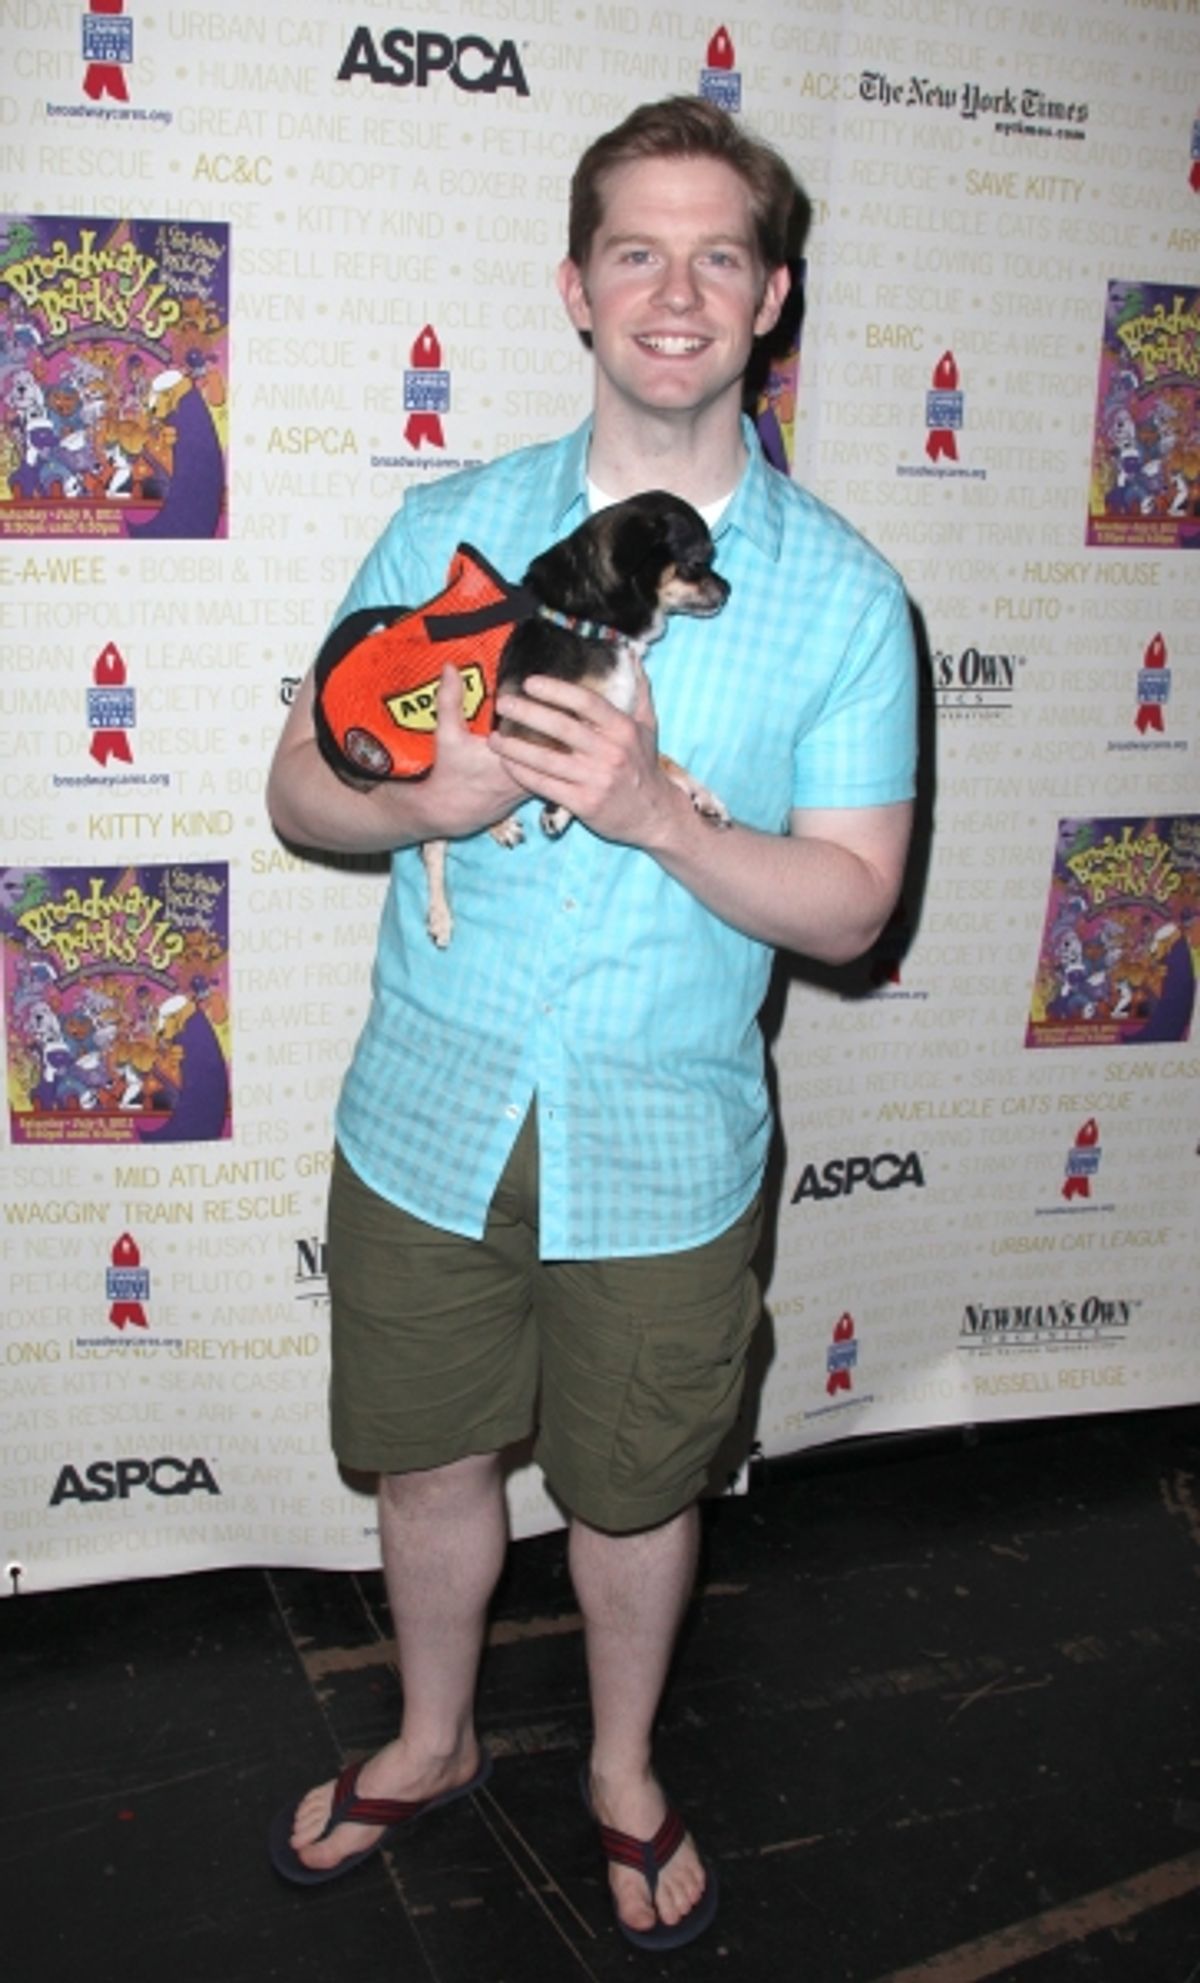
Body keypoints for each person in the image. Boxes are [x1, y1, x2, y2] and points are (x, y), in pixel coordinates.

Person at [266, 94, 916, 1949]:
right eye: (637, 247)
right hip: (429, 1112)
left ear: (772, 297)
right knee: (433, 1457)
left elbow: (857, 905)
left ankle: (623, 1772)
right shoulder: (452, 525)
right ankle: (434, 1735)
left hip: (666, 1136)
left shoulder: (848, 597)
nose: (677, 288)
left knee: (635, 1494)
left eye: (721, 252)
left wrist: (662, 818)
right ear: (575, 282)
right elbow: (300, 794)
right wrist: (422, 803)